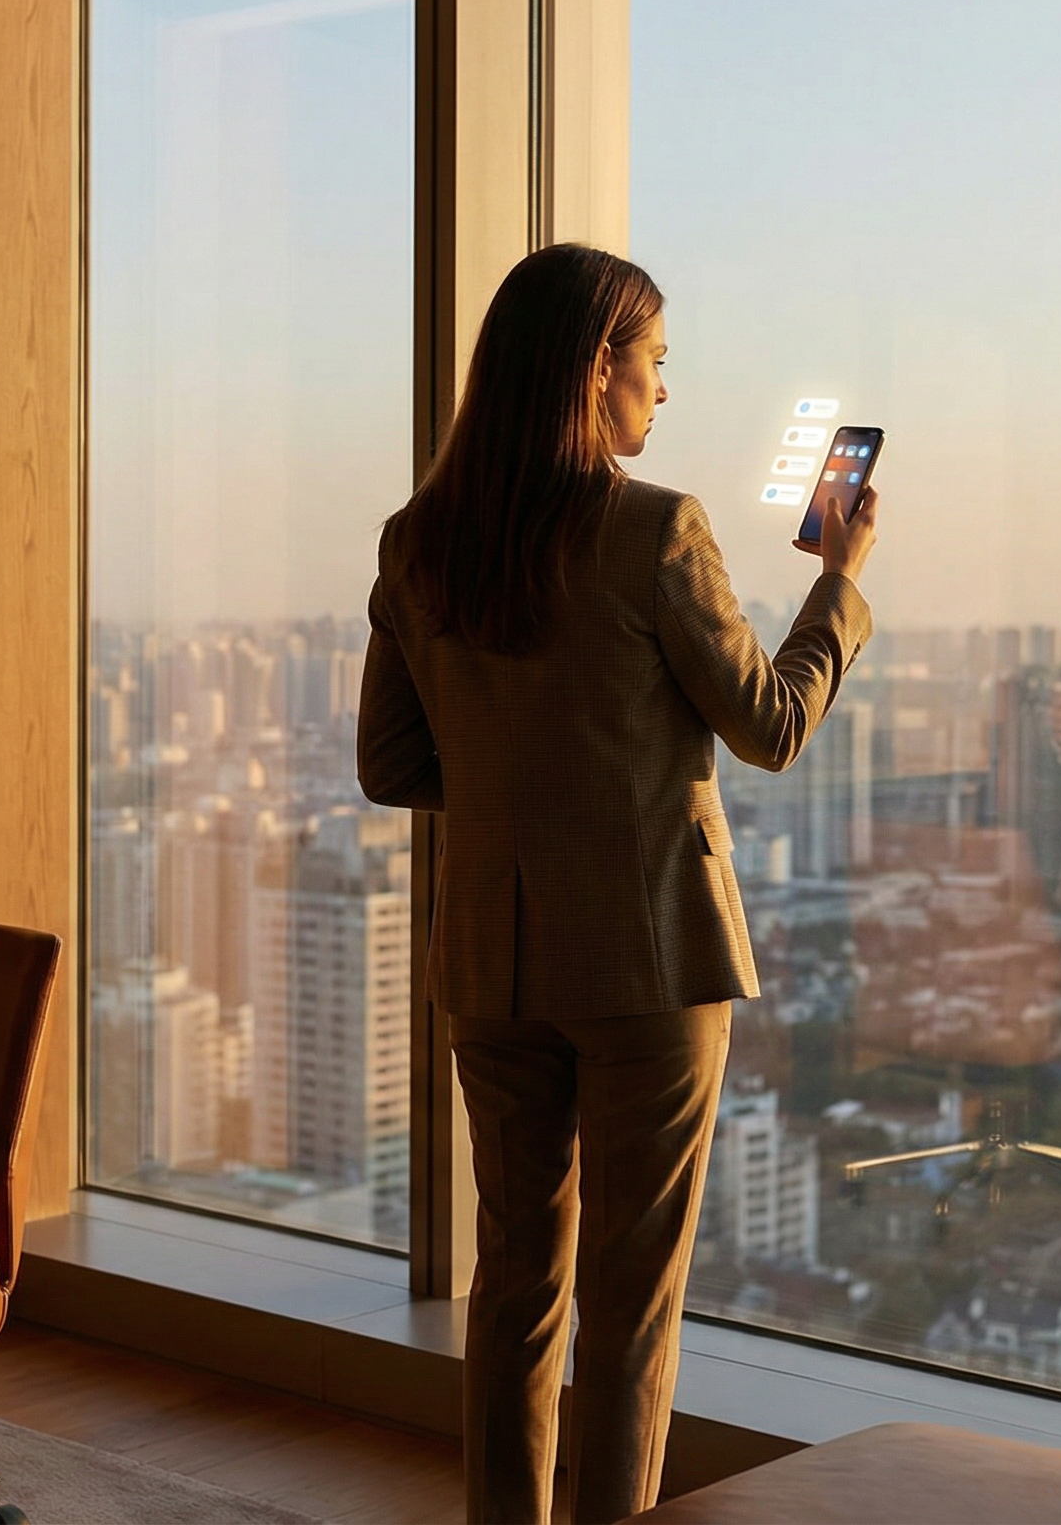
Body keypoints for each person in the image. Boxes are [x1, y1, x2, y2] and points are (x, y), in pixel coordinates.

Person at [357, 242, 882, 1525]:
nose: (664, 391)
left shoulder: (420, 542)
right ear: (598, 367)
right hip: (650, 959)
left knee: (515, 1283)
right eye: (655, 362)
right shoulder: (655, 530)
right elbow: (767, 725)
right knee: (630, 1305)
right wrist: (839, 586)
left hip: (493, 960)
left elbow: (389, 763)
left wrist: (515, 798)